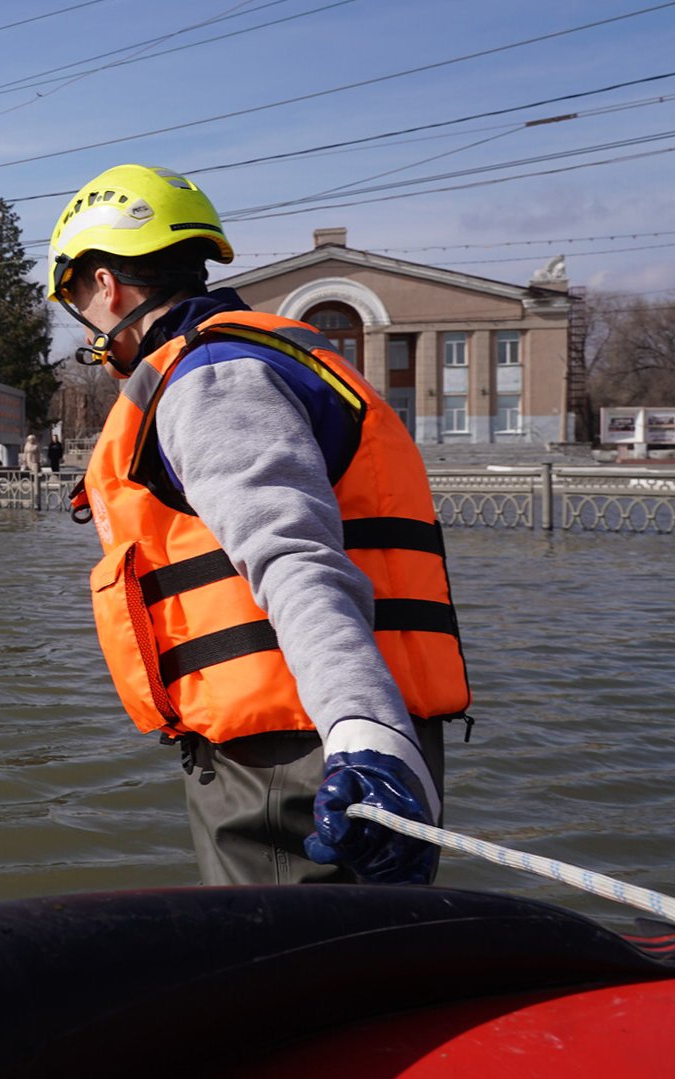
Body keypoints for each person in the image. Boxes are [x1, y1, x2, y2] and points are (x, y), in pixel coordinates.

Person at [50, 164, 469, 887]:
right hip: (349, 735)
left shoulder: (212, 378)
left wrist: (363, 731)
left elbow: (292, 557)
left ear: (105, 285)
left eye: (75, 299)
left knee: (294, 986)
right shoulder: (271, 354)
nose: (87, 326)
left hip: (299, 763)